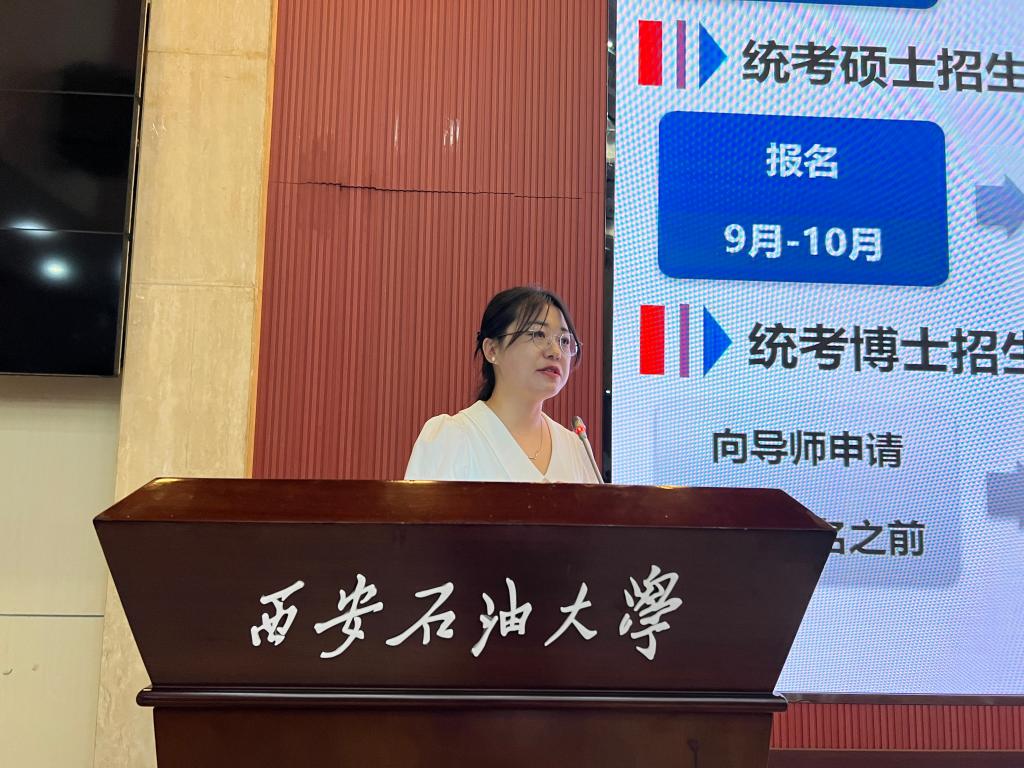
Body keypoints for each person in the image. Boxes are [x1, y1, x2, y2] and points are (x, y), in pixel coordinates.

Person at [405, 286, 600, 483]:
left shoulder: (575, 448)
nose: (556, 352)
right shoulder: (453, 438)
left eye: (564, 341)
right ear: (492, 350)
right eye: (539, 334)